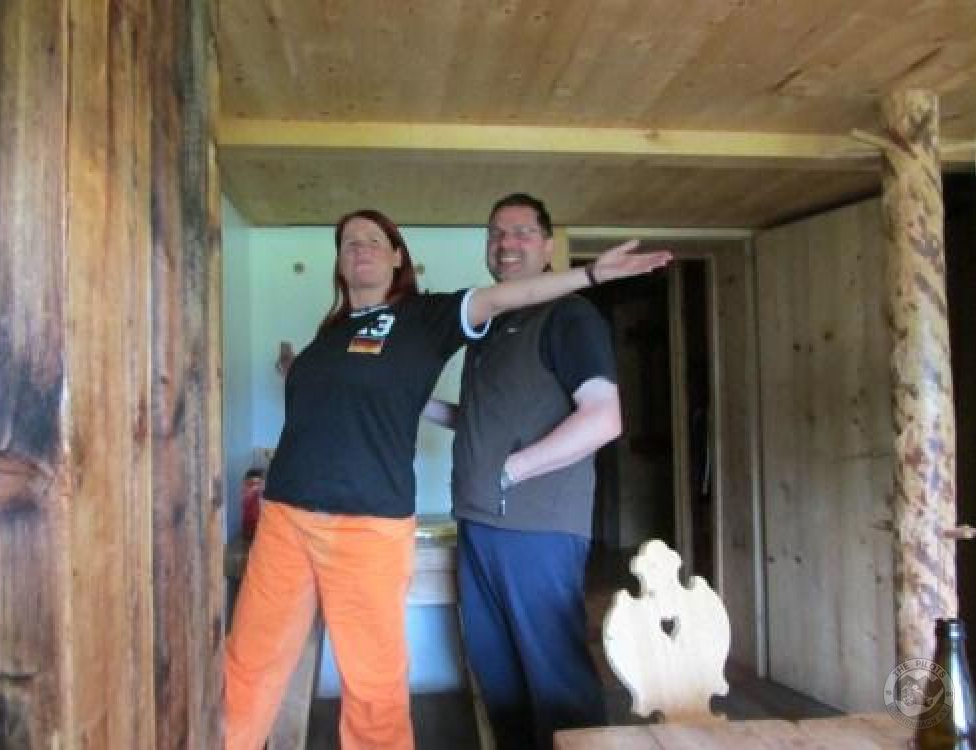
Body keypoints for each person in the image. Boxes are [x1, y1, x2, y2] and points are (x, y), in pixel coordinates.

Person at [225, 207, 667, 750]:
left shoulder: (428, 316)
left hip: (374, 524)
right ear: (338, 263)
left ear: (398, 257)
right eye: (348, 242)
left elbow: (507, 297)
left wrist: (592, 274)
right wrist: (300, 369)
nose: (359, 247)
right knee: (248, 663)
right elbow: (395, 405)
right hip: (289, 515)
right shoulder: (330, 335)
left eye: (373, 239)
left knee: (376, 686)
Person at [446, 194, 672, 749]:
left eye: (522, 232)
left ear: (548, 246)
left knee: (555, 680)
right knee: (500, 679)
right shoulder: (491, 326)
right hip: (480, 523)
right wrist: (412, 407)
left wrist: (511, 471)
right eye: (497, 233)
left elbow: (604, 418)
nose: (507, 243)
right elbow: (477, 420)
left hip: (535, 529)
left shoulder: (569, 315)